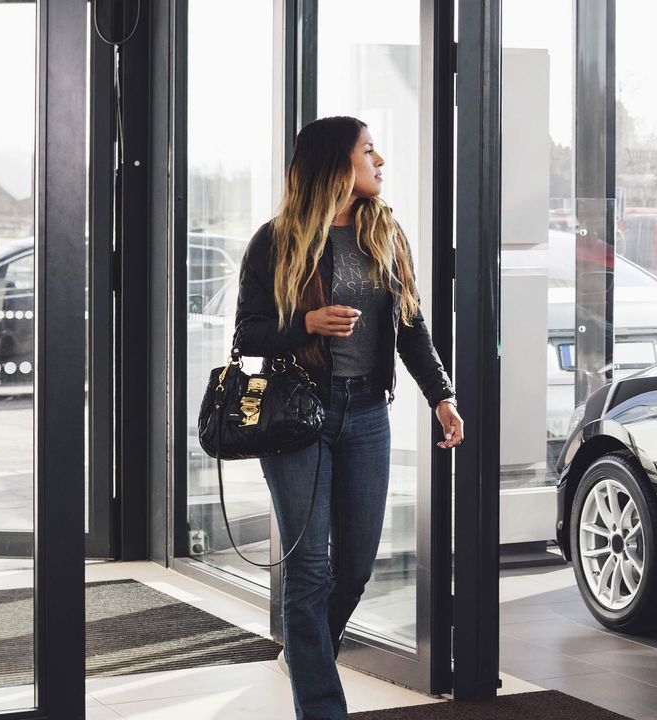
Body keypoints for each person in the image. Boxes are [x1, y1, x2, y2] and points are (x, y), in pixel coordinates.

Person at [233, 115, 463, 720]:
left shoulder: (385, 234)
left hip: (366, 413)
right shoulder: (275, 240)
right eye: (368, 150)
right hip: (297, 417)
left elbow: (411, 327)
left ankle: (306, 652)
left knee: (356, 566)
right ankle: (321, 706)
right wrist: (304, 324)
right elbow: (248, 333)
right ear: (337, 164)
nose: (380, 159)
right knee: (309, 569)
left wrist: (441, 394)